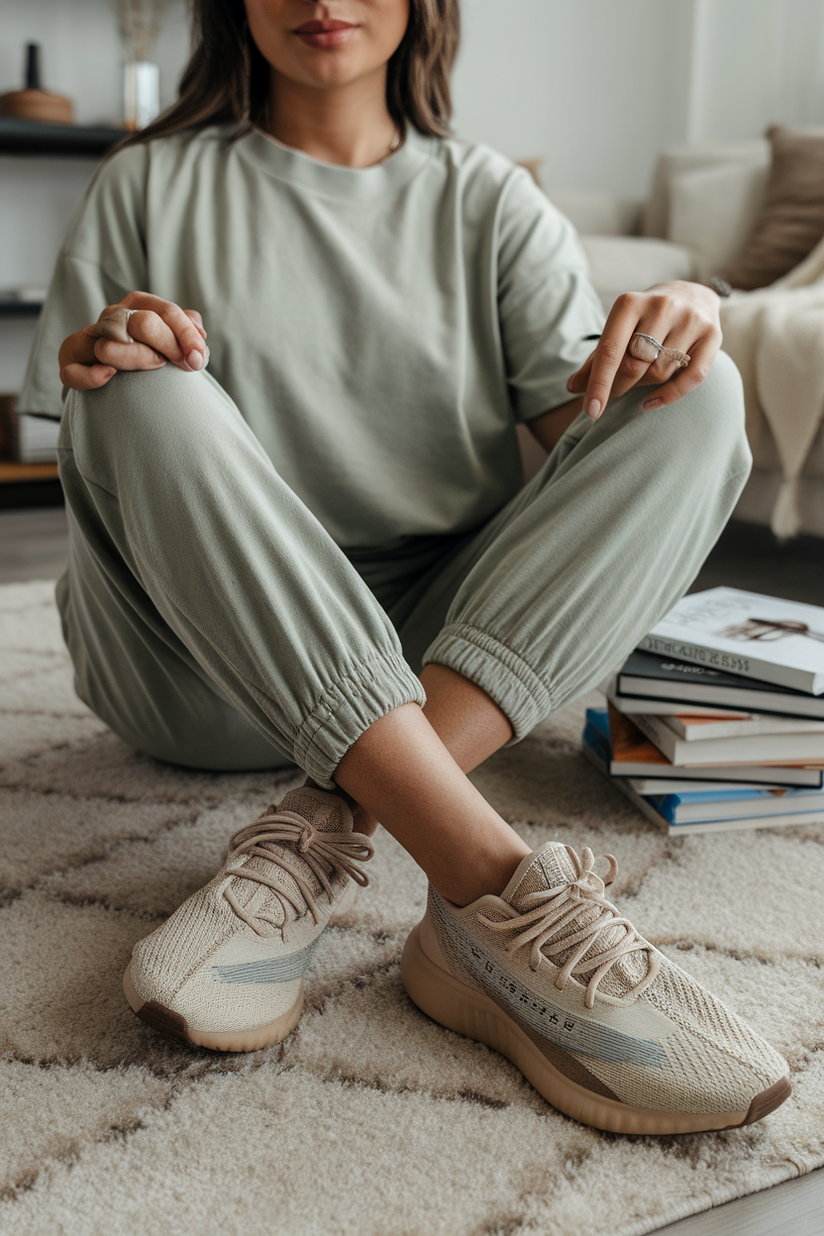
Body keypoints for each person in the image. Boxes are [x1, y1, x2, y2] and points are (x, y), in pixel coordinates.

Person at [23, 0, 790, 1135]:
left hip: (435, 660)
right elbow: (87, 434)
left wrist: (689, 318)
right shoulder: (149, 180)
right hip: (198, 665)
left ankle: (316, 839)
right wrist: (112, 351)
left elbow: (592, 421)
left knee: (702, 391)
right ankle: (492, 885)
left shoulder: (488, 199)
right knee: (133, 383)